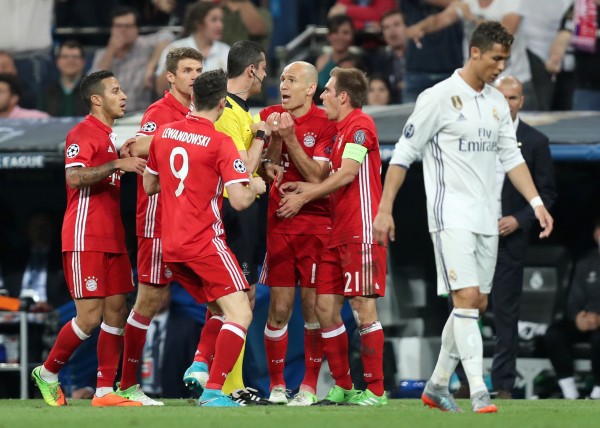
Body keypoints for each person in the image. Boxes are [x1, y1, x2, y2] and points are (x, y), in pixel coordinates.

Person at [372, 21, 554, 413]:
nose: (501, 67)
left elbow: (512, 158)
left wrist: (536, 203)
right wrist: (385, 208)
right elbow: (402, 156)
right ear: (475, 52)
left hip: (489, 217)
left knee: (477, 303)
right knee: (467, 298)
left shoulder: (494, 103)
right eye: (496, 59)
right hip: (449, 215)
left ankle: (436, 384)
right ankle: (479, 391)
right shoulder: (438, 97)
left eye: (505, 60)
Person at [143, 69, 266, 406]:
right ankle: (214, 391)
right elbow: (240, 201)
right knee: (241, 313)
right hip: (204, 241)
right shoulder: (220, 141)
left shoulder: (165, 133)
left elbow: (149, 186)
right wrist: (255, 185)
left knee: (218, 306)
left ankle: (198, 365)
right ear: (223, 104)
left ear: (194, 98)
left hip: (172, 246)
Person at [31, 70, 147, 407]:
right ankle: (48, 372)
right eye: (115, 90)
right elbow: (75, 176)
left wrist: (118, 158)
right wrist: (116, 163)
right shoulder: (82, 132)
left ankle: (104, 391)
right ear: (96, 99)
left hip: (112, 236)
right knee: (90, 317)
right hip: (85, 236)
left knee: (116, 310)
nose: (123, 95)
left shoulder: (108, 136)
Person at [277, 67, 388, 406]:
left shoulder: (360, 126)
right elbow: (339, 178)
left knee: (363, 308)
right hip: (338, 231)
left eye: (326, 90)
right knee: (324, 308)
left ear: (343, 96)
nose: (322, 95)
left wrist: (304, 197)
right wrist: (309, 186)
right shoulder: (340, 131)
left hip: (362, 230)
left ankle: (377, 391)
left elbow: (348, 175)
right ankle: (343, 385)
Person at [182, 40, 270, 406]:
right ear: (251, 69)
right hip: (232, 213)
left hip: (236, 213)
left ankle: (205, 369)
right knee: (239, 299)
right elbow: (239, 171)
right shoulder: (230, 112)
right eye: (263, 69)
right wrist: (262, 139)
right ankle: (226, 385)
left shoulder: (242, 111)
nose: (266, 75)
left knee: (230, 298)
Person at [115, 47, 203, 406]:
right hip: (157, 219)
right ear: (170, 76)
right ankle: (127, 383)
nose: (194, 76)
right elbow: (137, 148)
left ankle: (210, 377)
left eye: (199, 69)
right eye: (187, 70)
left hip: (191, 222)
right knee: (148, 301)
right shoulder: (159, 111)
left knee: (221, 299)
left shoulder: (201, 112)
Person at [257, 61, 337, 406]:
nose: (284, 85)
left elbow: (318, 177)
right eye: (282, 79)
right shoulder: (270, 114)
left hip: (317, 225)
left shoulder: (325, 122)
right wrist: (274, 140)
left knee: (312, 309)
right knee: (278, 309)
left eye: (292, 80)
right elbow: (268, 167)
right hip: (280, 223)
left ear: (311, 90)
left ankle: (307, 386)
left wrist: (289, 136)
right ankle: (277, 387)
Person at [489, 75, 557, 398]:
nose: (507, 104)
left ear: (522, 101)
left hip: (509, 243)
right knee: (462, 308)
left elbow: (548, 195)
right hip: (474, 234)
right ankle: (460, 381)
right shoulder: (477, 136)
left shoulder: (535, 142)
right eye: (501, 97)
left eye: (513, 98)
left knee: (505, 312)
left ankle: (503, 385)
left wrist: (519, 219)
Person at [408, 0, 536, 109]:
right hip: (476, 85)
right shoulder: (469, 1)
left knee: (518, 132)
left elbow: (504, 35)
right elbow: (439, 20)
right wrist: (421, 27)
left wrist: (471, 17)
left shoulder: (511, 2)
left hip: (511, 82)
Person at [544, 217, 600, 400]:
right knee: (554, 333)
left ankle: (598, 391)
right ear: (596, 233)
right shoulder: (586, 262)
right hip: (586, 321)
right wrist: (577, 317)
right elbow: (573, 299)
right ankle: (569, 391)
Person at [91, 6, 175, 113]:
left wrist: (151, 66)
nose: (123, 30)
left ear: (136, 29)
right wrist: (111, 51)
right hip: (110, 114)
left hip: (140, 113)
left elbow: (167, 36)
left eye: (128, 26)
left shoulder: (144, 45)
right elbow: (93, 85)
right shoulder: (103, 54)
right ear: (112, 29)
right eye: (118, 26)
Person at [155, 2, 230, 95]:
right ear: (198, 23)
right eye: (214, 20)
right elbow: (160, 88)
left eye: (221, 20)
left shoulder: (226, 51)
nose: (220, 25)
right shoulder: (175, 48)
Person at [546, 0, 600, 111]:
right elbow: (564, 34)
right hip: (587, 84)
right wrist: (554, 58)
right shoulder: (580, 7)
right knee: (583, 126)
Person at [39, 40, 88, 117]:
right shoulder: (47, 91)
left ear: (83, 62)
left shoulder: (94, 92)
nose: (70, 60)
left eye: (75, 57)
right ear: (57, 62)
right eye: (65, 57)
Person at [368, 10, 407, 104]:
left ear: (408, 27)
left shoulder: (422, 57)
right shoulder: (378, 61)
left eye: (396, 25)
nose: (392, 31)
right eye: (386, 27)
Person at [328, 0, 396, 31]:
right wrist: (366, 25)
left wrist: (347, 10)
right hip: (349, 45)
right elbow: (335, 20)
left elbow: (382, 16)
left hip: (379, 46)